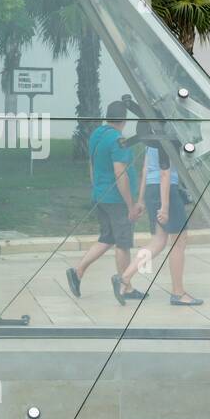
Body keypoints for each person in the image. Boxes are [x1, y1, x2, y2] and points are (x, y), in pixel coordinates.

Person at [115, 123, 204, 306]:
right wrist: (164, 207)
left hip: (152, 189)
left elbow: (146, 170)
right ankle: (178, 293)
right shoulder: (166, 138)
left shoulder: (152, 139)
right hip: (166, 190)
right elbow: (165, 173)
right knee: (179, 241)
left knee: (158, 241)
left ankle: (124, 278)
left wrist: (141, 200)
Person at [65, 100, 142, 302]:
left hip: (100, 196)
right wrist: (130, 204)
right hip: (117, 201)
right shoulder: (119, 140)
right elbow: (120, 173)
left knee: (107, 238)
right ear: (124, 120)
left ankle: (78, 271)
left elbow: (92, 165)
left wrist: (97, 188)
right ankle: (125, 286)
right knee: (123, 244)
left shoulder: (97, 135)